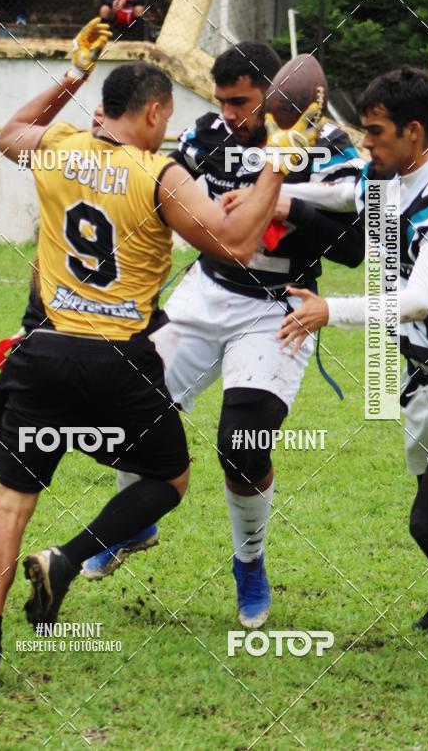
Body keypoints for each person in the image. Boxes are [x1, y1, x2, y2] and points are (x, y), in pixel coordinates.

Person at [0, 18, 314, 692]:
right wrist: (278, 160)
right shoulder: (159, 174)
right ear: (150, 113)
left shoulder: (57, 144)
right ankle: (68, 557)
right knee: (170, 478)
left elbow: (7, 134)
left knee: (10, 502)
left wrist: (70, 76)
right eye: (164, 118)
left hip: (43, 353)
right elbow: (234, 242)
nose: (167, 130)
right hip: (116, 360)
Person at [81, 42, 366, 630]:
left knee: (243, 446)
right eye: (222, 101)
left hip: (275, 307)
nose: (231, 113)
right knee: (129, 407)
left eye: (243, 101)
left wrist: (287, 202)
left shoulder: (328, 143)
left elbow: (358, 245)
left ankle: (250, 563)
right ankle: (135, 522)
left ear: (277, 92)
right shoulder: (206, 135)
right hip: (207, 292)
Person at [277, 65, 428, 705]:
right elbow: (345, 191)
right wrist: (278, 192)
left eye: (378, 134)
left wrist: (330, 310)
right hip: (423, 379)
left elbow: (417, 300)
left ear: (414, 133)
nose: (368, 145)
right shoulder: (391, 177)